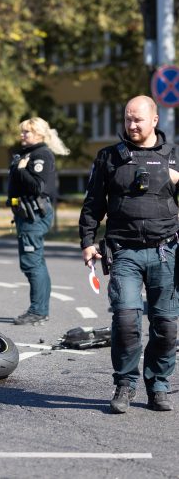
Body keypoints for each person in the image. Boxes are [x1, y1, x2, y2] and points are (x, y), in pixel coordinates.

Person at [79, 95, 179, 414]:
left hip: (166, 252)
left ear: (154, 120)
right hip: (124, 252)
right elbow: (94, 202)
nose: (132, 125)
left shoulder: (174, 156)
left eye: (138, 119)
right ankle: (125, 383)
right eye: (127, 119)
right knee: (125, 320)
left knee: (166, 325)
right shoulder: (109, 157)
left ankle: (159, 385)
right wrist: (87, 240)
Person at [7, 117, 70, 325]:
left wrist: (22, 169)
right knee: (35, 263)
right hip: (26, 216)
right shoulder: (28, 154)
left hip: (33, 216)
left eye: (27, 132)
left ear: (39, 134)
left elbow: (38, 187)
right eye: (22, 131)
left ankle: (38, 310)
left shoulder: (41, 154)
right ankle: (40, 309)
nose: (22, 135)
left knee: (32, 263)